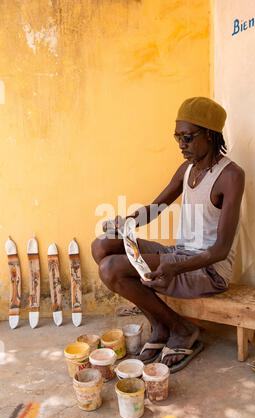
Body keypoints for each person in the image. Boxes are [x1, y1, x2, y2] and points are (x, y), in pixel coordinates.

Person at [91, 97, 245, 373]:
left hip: (208, 269)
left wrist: (176, 266)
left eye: (187, 137)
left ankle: (182, 329)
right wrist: (125, 223)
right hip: (180, 256)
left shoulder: (231, 176)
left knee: (111, 269)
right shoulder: (187, 169)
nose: (181, 145)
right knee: (102, 245)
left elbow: (220, 250)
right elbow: (156, 208)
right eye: (177, 138)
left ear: (209, 134)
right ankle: (162, 324)